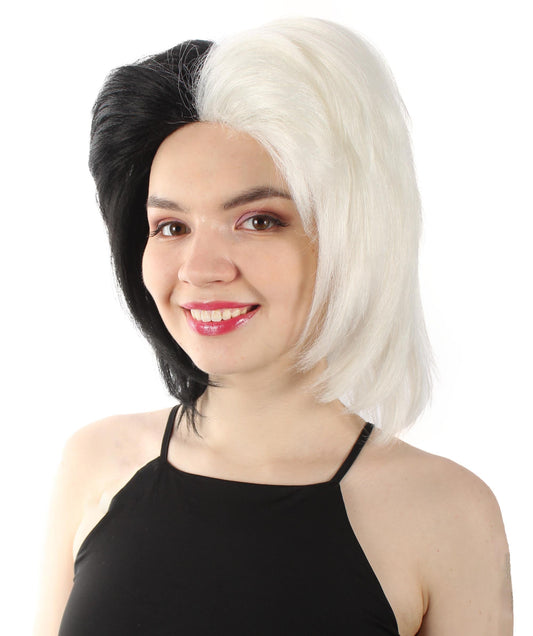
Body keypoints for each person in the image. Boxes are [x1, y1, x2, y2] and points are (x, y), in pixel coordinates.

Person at [35, 18, 512, 636]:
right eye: (171, 227)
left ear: (350, 238)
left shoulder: (446, 512)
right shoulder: (97, 462)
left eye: (258, 220)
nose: (200, 269)